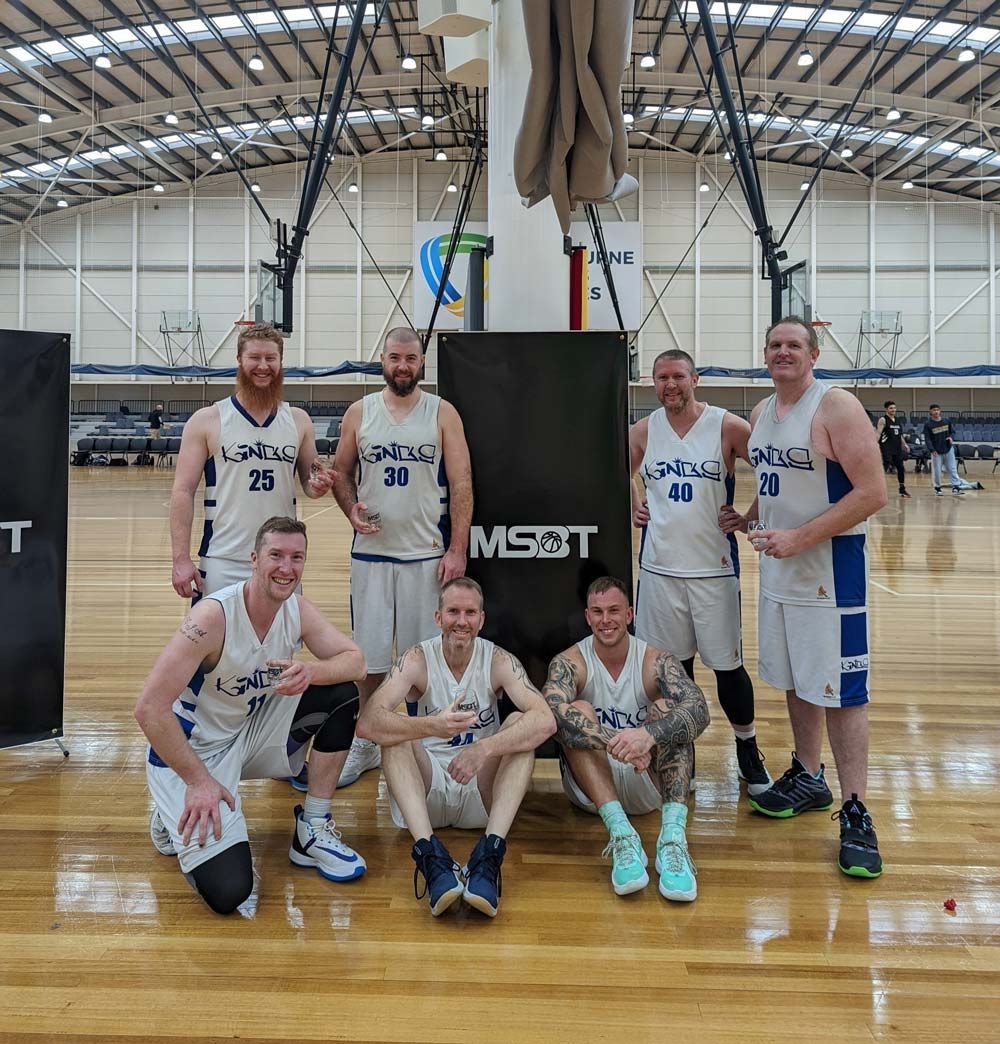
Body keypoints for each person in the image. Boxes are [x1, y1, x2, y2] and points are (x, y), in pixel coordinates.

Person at [719, 316, 887, 879]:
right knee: (794, 680)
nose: (782, 352)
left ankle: (857, 808)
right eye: (774, 345)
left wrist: (800, 538)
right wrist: (746, 517)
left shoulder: (835, 406)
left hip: (830, 575)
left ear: (813, 353)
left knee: (842, 692)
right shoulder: (763, 413)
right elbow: (774, 487)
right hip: (781, 573)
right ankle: (809, 776)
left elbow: (873, 492)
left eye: (793, 345)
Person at [135, 517, 367, 915]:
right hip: (192, 755)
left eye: (297, 558)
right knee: (231, 891)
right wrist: (199, 782)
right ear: (255, 559)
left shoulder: (296, 609)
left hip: (247, 732)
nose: (286, 568)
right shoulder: (210, 619)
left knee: (341, 693)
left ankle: (312, 827)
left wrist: (312, 672)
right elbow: (149, 709)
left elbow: (356, 662)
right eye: (276, 555)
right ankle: (170, 815)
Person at [354, 577, 555, 918]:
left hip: (480, 789)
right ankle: (430, 857)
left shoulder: (498, 659)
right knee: (394, 729)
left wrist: (484, 749)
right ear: (438, 617)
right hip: (427, 789)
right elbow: (368, 723)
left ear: (481, 619)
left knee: (520, 727)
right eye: (453, 612)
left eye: (470, 613)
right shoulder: (417, 658)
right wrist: (432, 725)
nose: (461, 621)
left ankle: (490, 855)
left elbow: (546, 721)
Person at [331, 326, 473, 789]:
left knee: (422, 663)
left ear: (421, 362)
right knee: (369, 663)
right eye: (394, 358)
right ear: (383, 360)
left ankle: (422, 741)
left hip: (425, 556)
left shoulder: (442, 412)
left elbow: (462, 484)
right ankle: (367, 742)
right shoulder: (360, 411)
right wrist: (349, 506)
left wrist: (458, 548)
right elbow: (341, 473)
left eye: (410, 359)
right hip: (371, 556)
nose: (402, 366)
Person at [629, 349, 771, 796]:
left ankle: (747, 749)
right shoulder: (643, 430)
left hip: (714, 569)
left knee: (728, 669)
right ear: (653, 383)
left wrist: (749, 517)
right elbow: (617, 471)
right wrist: (633, 498)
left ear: (696, 379)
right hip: (659, 571)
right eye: (661, 377)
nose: (670, 385)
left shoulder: (726, 426)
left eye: (678, 376)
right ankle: (679, 752)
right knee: (673, 673)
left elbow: (775, 471)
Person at [543, 577, 710, 902]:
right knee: (576, 710)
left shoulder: (656, 660)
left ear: (630, 614)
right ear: (587, 616)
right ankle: (621, 836)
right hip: (592, 789)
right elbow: (549, 715)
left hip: (647, 784)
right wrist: (619, 743)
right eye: (598, 612)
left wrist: (647, 736)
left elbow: (700, 710)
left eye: (614, 611)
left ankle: (673, 840)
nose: (606, 620)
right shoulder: (569, 662)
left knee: (668, 710)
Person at [169, 323, 333, 600]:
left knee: (280, 642)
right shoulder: (208, 419)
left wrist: (318, 485)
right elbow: (182, 491)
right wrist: (180, 559)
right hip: (224, 557)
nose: (263, 366)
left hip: (281, 561)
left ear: (281, 362)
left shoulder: (298, 420)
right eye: (254, 358)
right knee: (217, 643)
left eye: (271, 358)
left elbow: (309, 480)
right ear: (239, 361)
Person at [923, 404, 964, 497]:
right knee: (937, 471)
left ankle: (956, 487)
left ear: (940, 411)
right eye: (934, 410)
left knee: (952, 469)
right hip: (936, 451)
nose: (936, 412)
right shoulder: (928, 424)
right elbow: (927, 439)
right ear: (930, 412)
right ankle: (937, 488)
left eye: (937, 410)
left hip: (948, 449)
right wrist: (932, 449)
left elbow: (952, 432)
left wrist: (951, 437)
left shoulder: (946, 421)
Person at [876, 401, 911, 499]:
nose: (893, 410)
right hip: (886, 447)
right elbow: (878, 432)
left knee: (900, 468)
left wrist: (905, 445)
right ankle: (877, 489)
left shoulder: (898, 420)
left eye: (894, 408)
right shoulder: (883, 420)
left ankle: (902, 489)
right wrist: (875, 443)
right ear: (886, 409)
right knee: (884, 467)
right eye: (891, 408)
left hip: (897, 448)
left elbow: (899, 435)